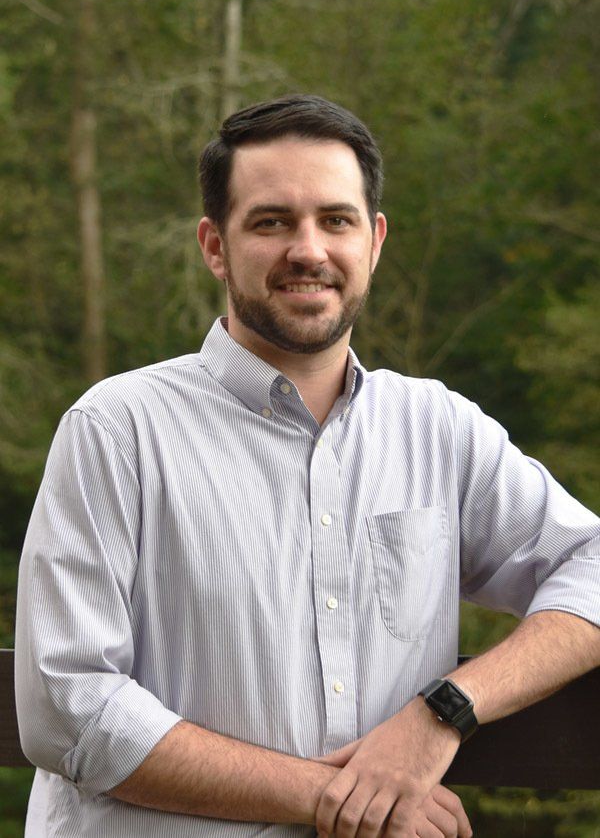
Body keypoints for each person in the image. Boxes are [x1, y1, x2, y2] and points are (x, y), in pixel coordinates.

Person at [15, 94, 599, 838]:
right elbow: (67, 706)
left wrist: (445, 711)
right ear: (214, 246)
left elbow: (591, 563)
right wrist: (344, 797)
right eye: (271, 222)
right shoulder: (116, 430)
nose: (309, 250)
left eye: (336, 220)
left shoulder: (438, 430)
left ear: (374, 241)